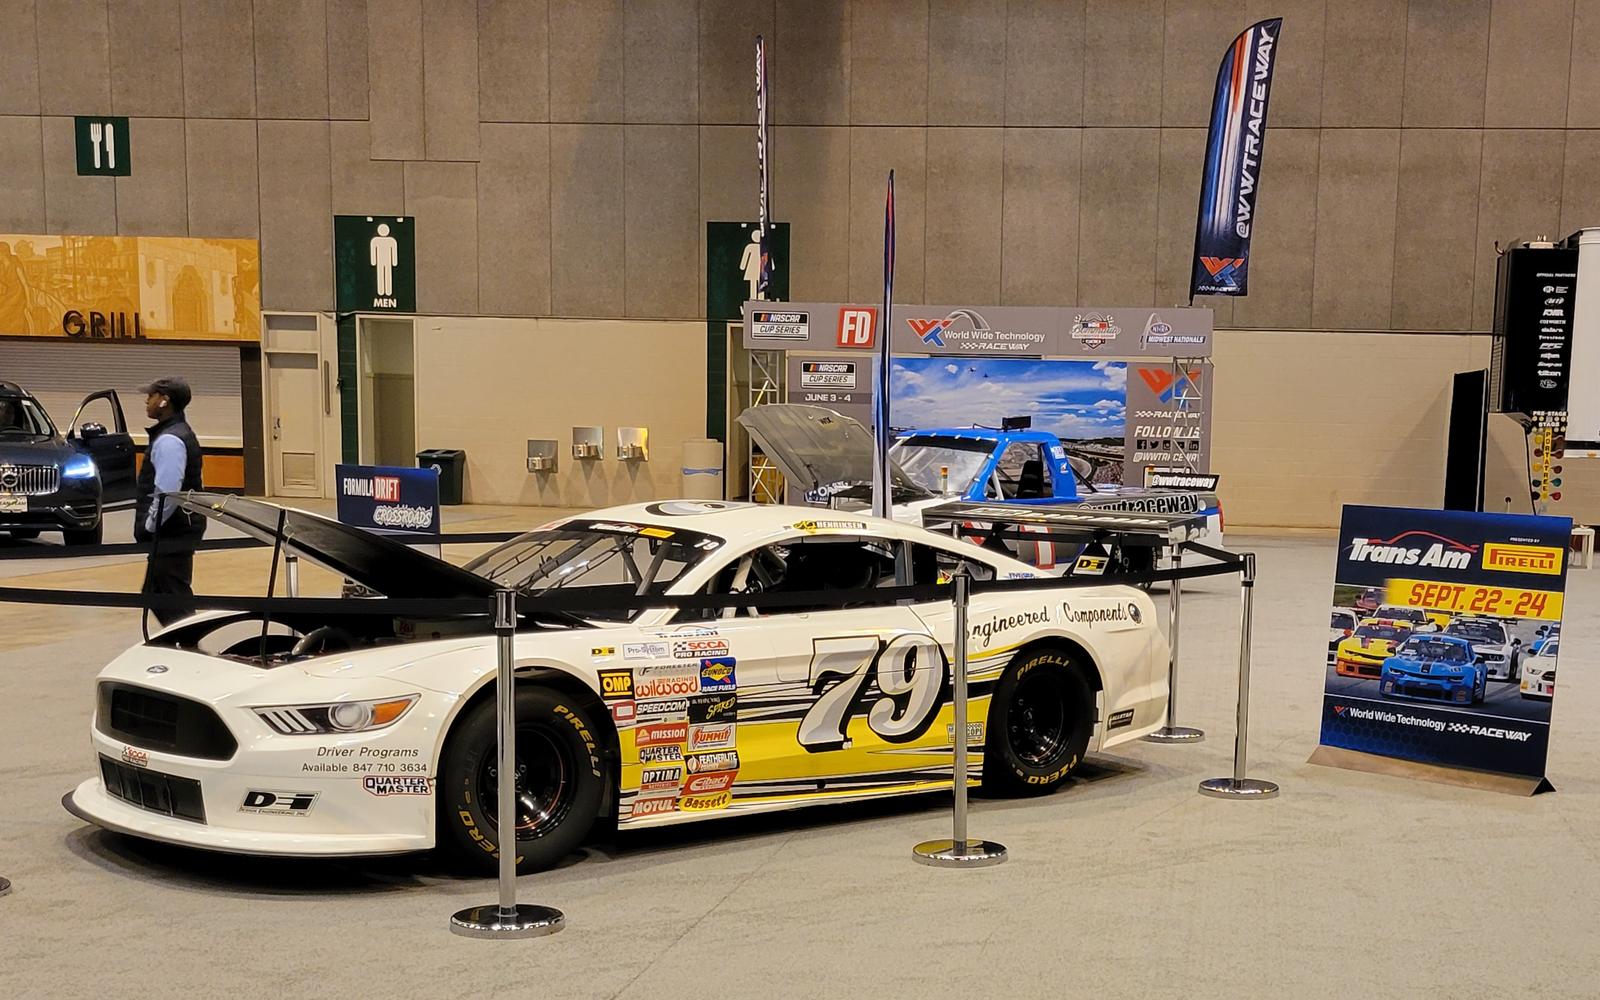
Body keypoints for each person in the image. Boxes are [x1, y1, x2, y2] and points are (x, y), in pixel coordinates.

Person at [135, 376, 205, 625]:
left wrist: (150, 525)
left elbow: (168, 491)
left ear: (164, 401)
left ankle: (189, 648)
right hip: (177, 530)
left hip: (171, 533)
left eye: (152, 395)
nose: (147, 401)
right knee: (159, 594)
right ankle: (184, 646)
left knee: (170, 597)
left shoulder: (169, 440)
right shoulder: (177, 433)